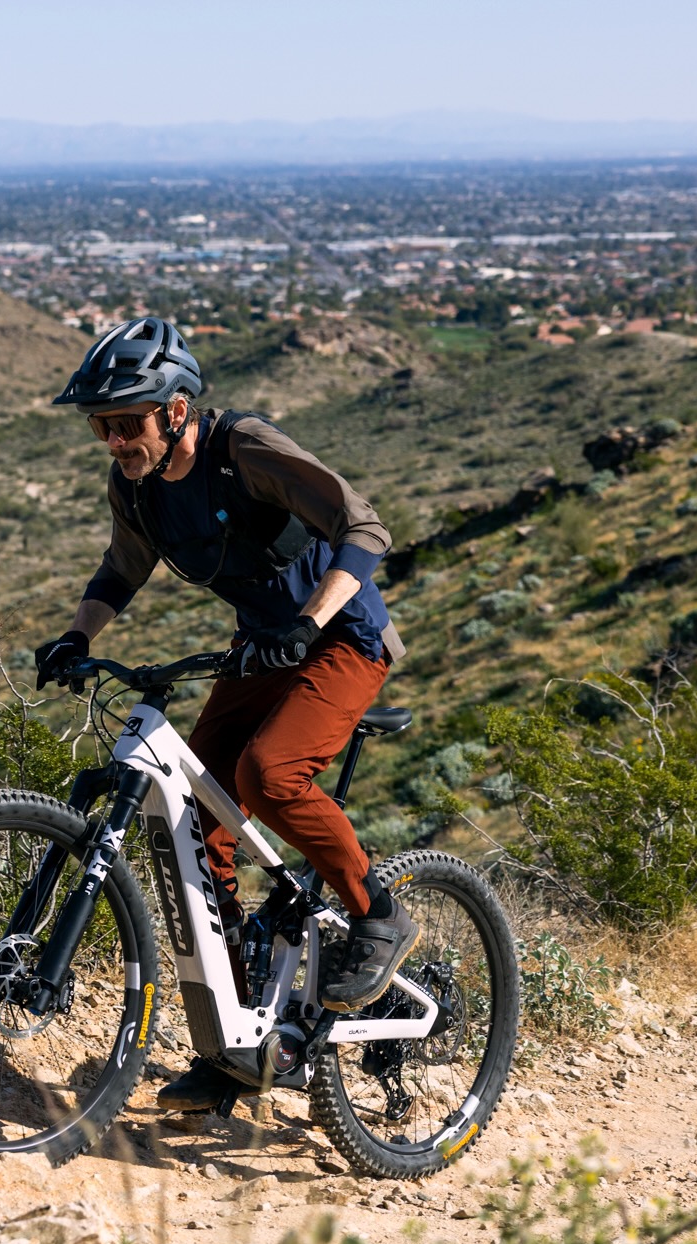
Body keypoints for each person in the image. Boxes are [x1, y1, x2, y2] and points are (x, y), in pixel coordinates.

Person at [34, 317, 418, 1112]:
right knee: (192, 818)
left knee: (268, 774)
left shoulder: (243, 450)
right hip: (264, 647)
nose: (114, 440)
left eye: (126, 422)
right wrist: (76, 637)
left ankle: (379, 914)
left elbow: (365, 527)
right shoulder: (136, 485)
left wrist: (309, 621)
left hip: (342, 637)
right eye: (102, 427)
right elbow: (122, 568)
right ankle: (236, 1044)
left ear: (175, 409)